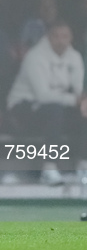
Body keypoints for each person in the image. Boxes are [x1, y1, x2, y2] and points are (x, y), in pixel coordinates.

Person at [7, 20, 87, 185]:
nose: (61, 40)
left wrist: (82, 101)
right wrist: (75, 99)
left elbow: (78, 91)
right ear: (48, 37)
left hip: (58, 107)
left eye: (65, 36)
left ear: (71, 38)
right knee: (54, 111)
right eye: (56, 36)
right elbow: (42, 95)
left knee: (83, 111)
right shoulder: (35, 56)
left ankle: (83, 166)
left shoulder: (75, 57)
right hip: (23, 108)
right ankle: (49, 168)